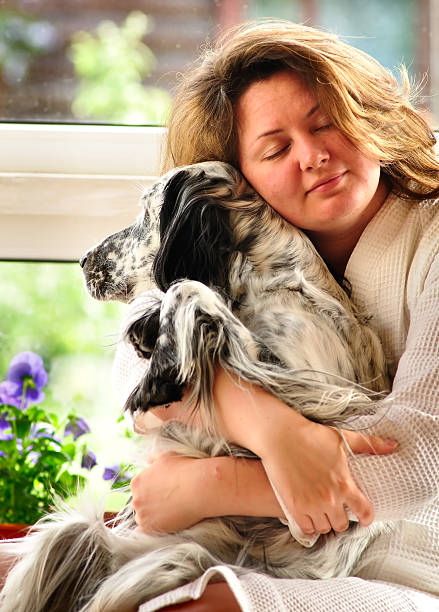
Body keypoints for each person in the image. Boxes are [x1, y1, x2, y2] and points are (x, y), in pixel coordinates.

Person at [112, 20, 439, 611]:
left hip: (413, 572)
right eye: (276, 148)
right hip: (238, 544)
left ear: (366, 115)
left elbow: (423, 461)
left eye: (326, 122)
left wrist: (207, 486)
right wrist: (270, 429)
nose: (313, 156)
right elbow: (138, 365)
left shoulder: (432, 237)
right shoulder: (237, 233)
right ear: (241, 176)